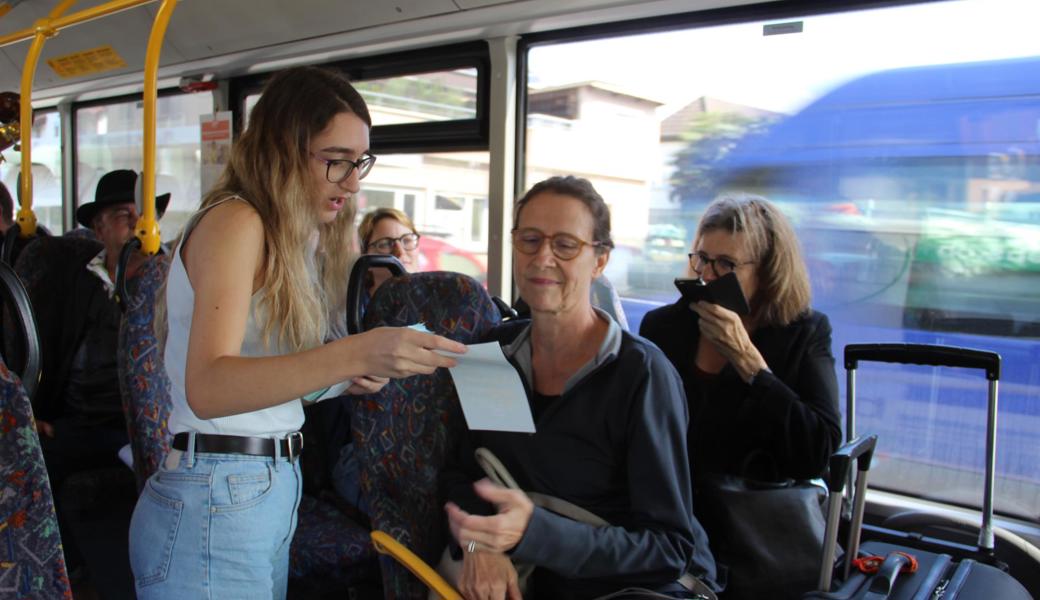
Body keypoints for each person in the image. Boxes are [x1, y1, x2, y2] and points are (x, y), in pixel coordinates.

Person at [127, 66, 466, 599]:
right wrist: (351, 353)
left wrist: (346, 377)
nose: (352, 183)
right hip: (218, 491)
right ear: (283, 150)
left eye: (359, 163)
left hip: (255, 487)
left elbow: (259, 382)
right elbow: (210, 386)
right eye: (335, 162)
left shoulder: (287, 236)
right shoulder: (237, 222)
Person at [440, 176, 717, 600]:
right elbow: (463, 476)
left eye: (566, 245)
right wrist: (481, 543)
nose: (542, 258)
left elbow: (669, 548)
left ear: (600, 260)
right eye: (529, 240)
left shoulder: (640, 375)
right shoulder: (487, 356)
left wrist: (533, 533)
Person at [638, 193, 841, 577]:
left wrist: (750, 364)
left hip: (757, 529)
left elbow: (819, 450)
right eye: (702, 259)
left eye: (726, 264)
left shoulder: (803, 332)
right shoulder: (664, 326)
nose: (708, 276)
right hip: (675, 517)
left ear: (767, 272)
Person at [358, 206, 421, 294]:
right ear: (364, 254)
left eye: (407, 241)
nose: (400, 252)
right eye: (385, 244)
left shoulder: (437, 301)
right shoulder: (351, 304)